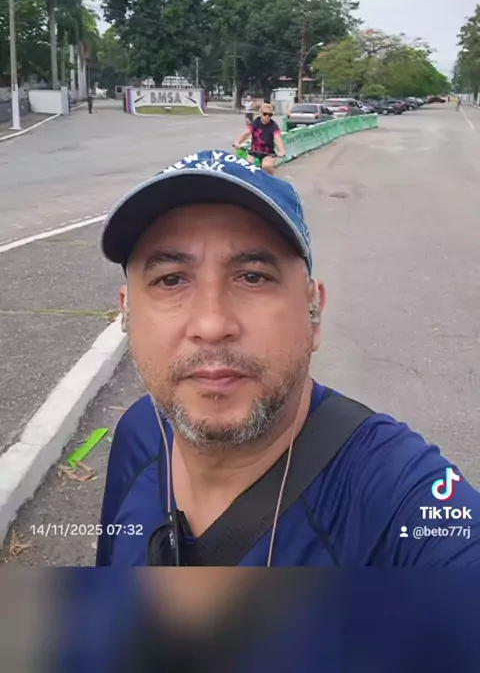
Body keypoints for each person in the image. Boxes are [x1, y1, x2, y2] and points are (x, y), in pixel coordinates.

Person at [96, 149, 480, 567]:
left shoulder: (394, 496)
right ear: (127, 313)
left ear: (314, 311)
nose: (211, 324)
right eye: (171, 280)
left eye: (253, 277)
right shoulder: (139, 435)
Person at [234, 103, 286, 174]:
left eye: (270, 115)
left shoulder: (273, 126)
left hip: (268, 152)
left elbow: (277, 138)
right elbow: (247, 132)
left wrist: (282, 151)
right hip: (254, 151)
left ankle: (269, 179)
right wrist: (237, 142)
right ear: (260, 113)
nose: (267, 116)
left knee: (266, 166)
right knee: (249, 166)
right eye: (265, 114)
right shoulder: (255, 122)